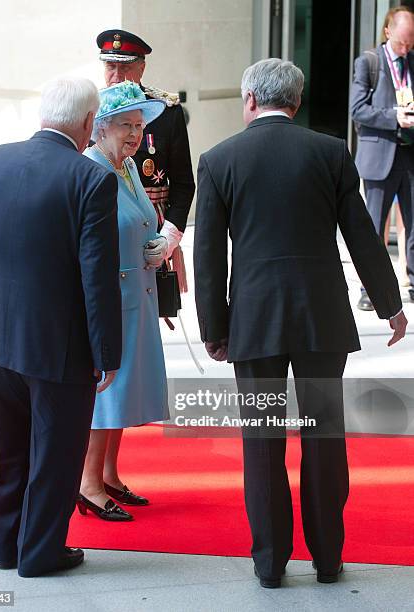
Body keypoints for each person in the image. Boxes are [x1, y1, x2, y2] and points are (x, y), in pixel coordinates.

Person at [193, 58, 407, 589]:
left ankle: (269, 563)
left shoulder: (220, 159)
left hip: (256, 319)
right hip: (320, 318)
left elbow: (208, 256)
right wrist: (391, 305)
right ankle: (329, 558)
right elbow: (362, 233)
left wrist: (214, 328)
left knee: (262, 442)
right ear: (297, 100)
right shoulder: (330, 152)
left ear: (248, 101)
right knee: (324, 437)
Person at [0, 78, 122, 577]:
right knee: (56, 452)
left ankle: (5, 546)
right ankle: (41, 552)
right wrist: (105, 351)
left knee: (7, 448)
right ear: (90, 123)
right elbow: (97, 277)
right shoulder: (90, 179)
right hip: (58, 345)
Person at [77, 80, 169, 522]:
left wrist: (161, 242)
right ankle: (88, 483)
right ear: (102, 128)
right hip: (112, 298)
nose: (134, 134)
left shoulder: (128, 168)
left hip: (139, 295)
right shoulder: (92, 169)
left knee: (127, 389)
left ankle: (110, 474)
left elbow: (140, 222)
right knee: (107, 392)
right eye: (125, 126)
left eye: (138, 125)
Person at [96, 29, 195, 288]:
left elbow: (184, 184)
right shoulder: (90, 107)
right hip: (103, 227)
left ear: (142, 68)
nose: (116, 77)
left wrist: (168, 239)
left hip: (153, 232)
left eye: (125, 67)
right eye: (110, 66)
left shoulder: (165, 111)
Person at [350, 6, 414, 310]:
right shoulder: (369, 62)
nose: (405, 48)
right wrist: (394, 116)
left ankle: (412, 282)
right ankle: (369, 288)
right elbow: (357, 110)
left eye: (410, 43)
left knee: (413, 225)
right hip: (380, 155)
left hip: (409, 155)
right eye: (401, 42)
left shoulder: (413, 60)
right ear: (388, 32)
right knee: (373, 226)